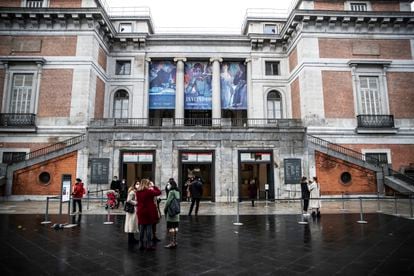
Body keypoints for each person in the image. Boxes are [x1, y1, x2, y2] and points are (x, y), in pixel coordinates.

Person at [136, 179, 161, 251]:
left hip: (140, 211)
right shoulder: (148, 191)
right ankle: (149, 245)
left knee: (142, 228)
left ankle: (141, 244)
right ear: (147, 184)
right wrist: (154, 186)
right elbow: (158, 192)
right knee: (149, 228)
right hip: (148, 211)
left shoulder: (138, 192)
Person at [164, 180, 180, 249]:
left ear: (171, 185)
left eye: (168, 184)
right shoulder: (177, 191)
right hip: (176, 212)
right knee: (175, 227)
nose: (167, 186)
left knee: (171, 228)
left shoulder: (171, 192)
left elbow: (168, 202)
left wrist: (165, 209)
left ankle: (171, 243)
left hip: (171, 212)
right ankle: (175, 241)